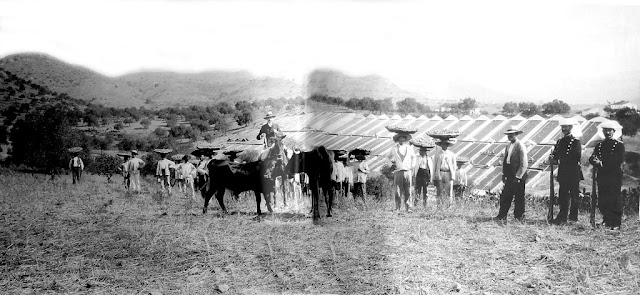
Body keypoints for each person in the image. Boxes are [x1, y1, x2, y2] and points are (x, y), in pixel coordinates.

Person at [589, 120, 625, 230]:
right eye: (605, 130)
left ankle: (615, 223)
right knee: (603, 199)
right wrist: (594, 161)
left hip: (613, 175)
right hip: (602, 175)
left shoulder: (619, 145)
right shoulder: (599, 145)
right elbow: (592, 157)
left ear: (614, 131)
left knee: (614, 198)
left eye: (609, 130)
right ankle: (606, 219)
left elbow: (618, 160)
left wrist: (602, 163)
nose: (607, 133)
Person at [549, 118, 583, 225]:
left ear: (571, 128)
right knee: (563, 195)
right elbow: (555, 154)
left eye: (566, 127)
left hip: (573, 172)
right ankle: (562, 216)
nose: (564, 129)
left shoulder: (576, 142)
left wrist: (559, 160)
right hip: (563, 171)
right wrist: (552, 158)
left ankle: (573, 218)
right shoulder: (559, 142)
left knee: (574, 195)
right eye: (562, 127)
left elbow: (576, 157)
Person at [495, 126, 528, 221]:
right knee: (506, 195)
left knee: (519, 197)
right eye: (508, 135)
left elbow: (524, 163)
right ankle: (502, 215)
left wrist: (518, 176)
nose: (510, 136)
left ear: (516, 134)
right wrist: (503, 174)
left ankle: (519, 217)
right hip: (509, 173)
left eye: (512, 134)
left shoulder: (520, 146)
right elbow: (506, 160)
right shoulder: (508, 146)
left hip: (518, 174)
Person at [387, 133, 417, 212]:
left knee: (408, 189)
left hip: (407, 171)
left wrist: (412, 166)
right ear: (398, 139)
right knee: (398, 190)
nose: (402, 140)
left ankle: (408, 207)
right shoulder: (394, 148)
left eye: (403, 138)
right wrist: (392, 165)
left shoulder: (409, 148)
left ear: (405, 139)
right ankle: (398, 207)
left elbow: (414, 157)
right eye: (400, 138)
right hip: (398, 171)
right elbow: (387, 157)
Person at [433, 139, 457, 208]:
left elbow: (454, 165)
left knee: (449, 191)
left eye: (446, 144)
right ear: (441, 145)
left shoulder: (451, 154)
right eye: (443, 144)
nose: (444, 145)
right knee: (439, 190)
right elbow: (435, 165)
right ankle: (439, 206)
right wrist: (435, 175)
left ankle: (448, 206)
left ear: (448, 145)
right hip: (440, 172)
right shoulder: (438, 154)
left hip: (448, 173)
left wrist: (453, 175)